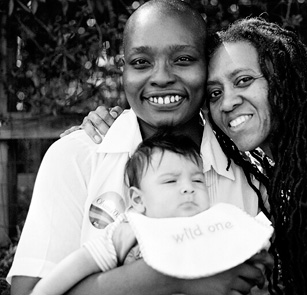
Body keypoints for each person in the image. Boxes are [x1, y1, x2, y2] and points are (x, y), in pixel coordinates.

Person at [82, 17, 307, 295]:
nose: (228, 102)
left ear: (280, 79)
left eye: (243, 81)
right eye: (214, 92)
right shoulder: (273, 177)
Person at [7, 1, 272, 295]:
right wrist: (177, 276)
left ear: (206, 67)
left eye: (183, 59)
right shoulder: (76, 156)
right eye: (141, 62)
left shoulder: (245, 170)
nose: (160, 77)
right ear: (123, 70)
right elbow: (29, 291)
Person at [30, 133, 273, 295]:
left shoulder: (214, 223)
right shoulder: (128, 233)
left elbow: (254, 246)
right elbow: (73, 269)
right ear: (138, 199)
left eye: (198, 180)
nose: (188, 187)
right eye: (170, 181)